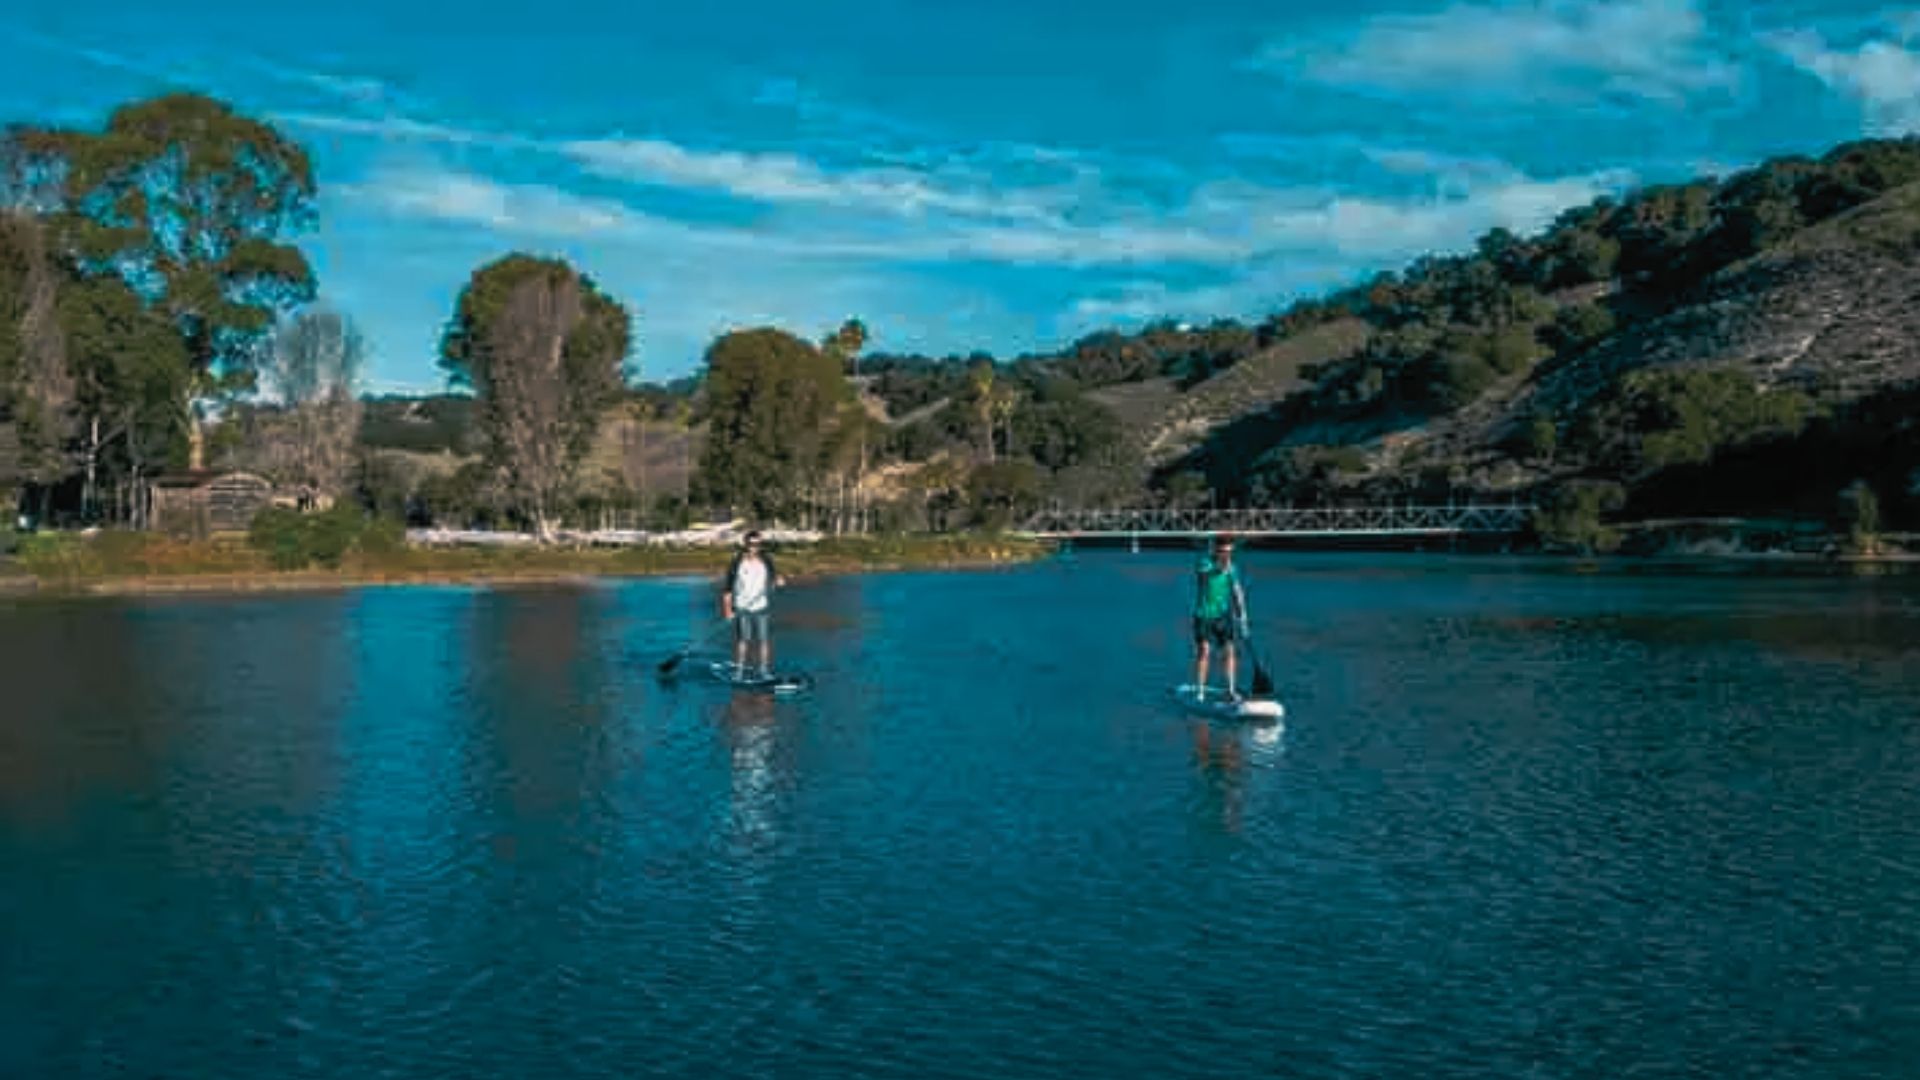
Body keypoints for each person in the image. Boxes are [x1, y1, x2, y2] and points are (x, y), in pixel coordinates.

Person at [1191, 533, 1250, 701]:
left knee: (1230, 651)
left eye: (1229, 552)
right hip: (1203, 616)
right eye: (1223, 551)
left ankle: (1231, 691)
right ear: (1216, 550)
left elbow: (1237, 591)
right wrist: (1221, 567)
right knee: (1205, 651)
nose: (1227, 555)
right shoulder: (1205, 563)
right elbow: (1206, 574)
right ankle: (1200, 692)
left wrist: (1242, 614)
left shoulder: (1233, 568)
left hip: (1223, 616)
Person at [721, 529, 787, 679]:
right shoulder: (737, 563)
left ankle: (764, 671)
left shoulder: (766, 560)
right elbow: (727, 590)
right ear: (745, 544)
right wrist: (727, 611)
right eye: (751, 544)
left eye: (758, 545)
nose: (754, 548)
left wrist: (778, 581)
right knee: (744, 640)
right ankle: (739, 672)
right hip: (742, 608)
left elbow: (775, 579)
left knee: (764, 640)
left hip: (761, 607)